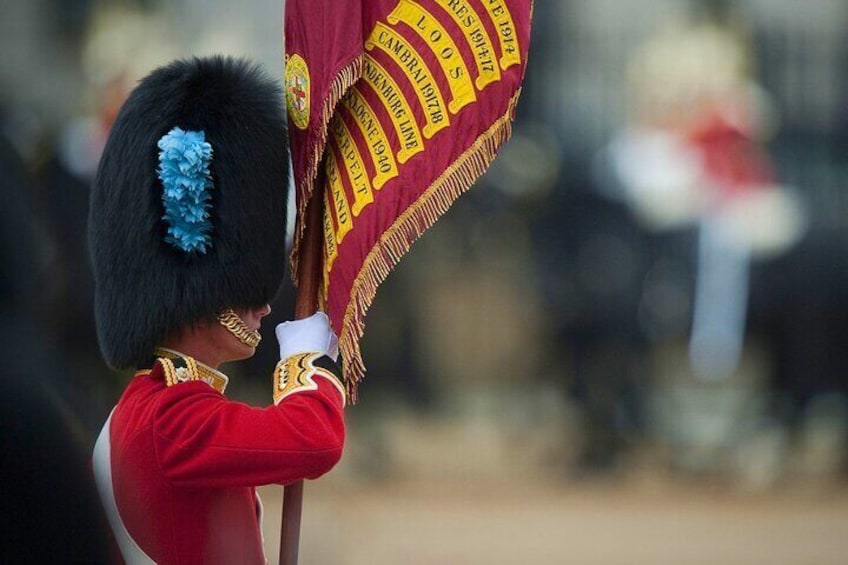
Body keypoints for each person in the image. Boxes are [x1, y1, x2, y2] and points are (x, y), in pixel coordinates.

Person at [89, 56, 346, 564]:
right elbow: (315, 440)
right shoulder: (172, 420)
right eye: (246, 286)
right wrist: (306, 364)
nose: (263, 305)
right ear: (204, 287)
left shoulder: (151, 407)